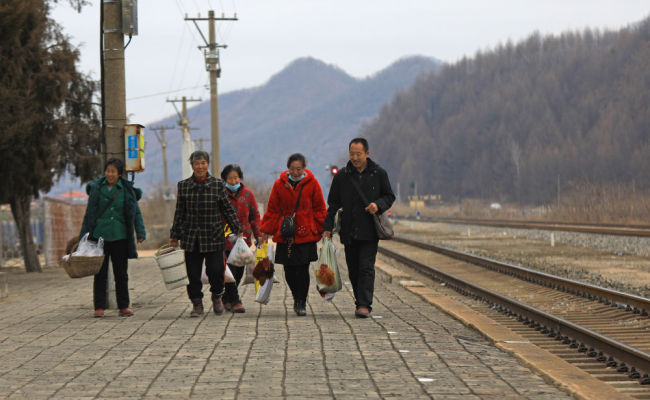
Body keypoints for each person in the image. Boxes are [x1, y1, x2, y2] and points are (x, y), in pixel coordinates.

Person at [323, 138, 395, 318]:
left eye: (358, 154)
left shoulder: (378, 173)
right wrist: (327, 228)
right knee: (353, 268)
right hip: (348, 231)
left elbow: (389, 196)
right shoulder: (342, 176)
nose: (355, 158)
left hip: (370, 231)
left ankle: (364, 304)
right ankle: (359, 301)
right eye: (352, 154)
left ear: (367, 154)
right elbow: (333, 204)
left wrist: (378, 205)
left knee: (366, 267)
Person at [169, 151, 242, 317]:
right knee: (193, 274)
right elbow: (179, 212)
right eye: (197, 163)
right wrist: (174, 235)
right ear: (192, 166)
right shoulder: (184, 186)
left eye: (203, 163)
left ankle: (217, 296)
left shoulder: (217, 185)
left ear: (208, 164)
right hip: (191, 237)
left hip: (213, 236)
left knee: (216, 271)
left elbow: (227, 209)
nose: (200, 166)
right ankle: (197, 303)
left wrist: (237, 227)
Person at [260, 153, 327, 316]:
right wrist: (266, 230)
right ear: (287, 168)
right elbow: (273, 209)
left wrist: (323, 228)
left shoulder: (312, 184)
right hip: (285, 233)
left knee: (303, 269)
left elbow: (319, 208)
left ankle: (301, 302)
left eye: (299, 169)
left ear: (304, 168)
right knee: (289, 270)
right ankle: (296, 296)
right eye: (292, 169)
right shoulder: (279, 185)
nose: (295, 172)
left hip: (305, 233)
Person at [79, 158, 146, 318]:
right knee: (100, 273)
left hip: (120, 236)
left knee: (121, 273)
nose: (109, 174)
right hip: (99, 236)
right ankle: (99, 307)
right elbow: (89, 215)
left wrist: (140, 232)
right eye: (107, 171)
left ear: (119, 174)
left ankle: (123, 306)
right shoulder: (96, 189)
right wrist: (83, 237)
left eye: (113, 171)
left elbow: (135, 212)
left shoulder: (127, 190)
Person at [221, 164, 261, 313]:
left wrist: (259, 235)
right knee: (229, 269)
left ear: (240, 178)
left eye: (236, 177)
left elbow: (255, 216)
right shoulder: (221, 194)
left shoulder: (248, 195)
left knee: (238, 271)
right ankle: (236, 300)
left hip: (243, 240)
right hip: (225, 239)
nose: (233, 181)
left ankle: (226, 298)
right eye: (230, 178)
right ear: (225, 179)